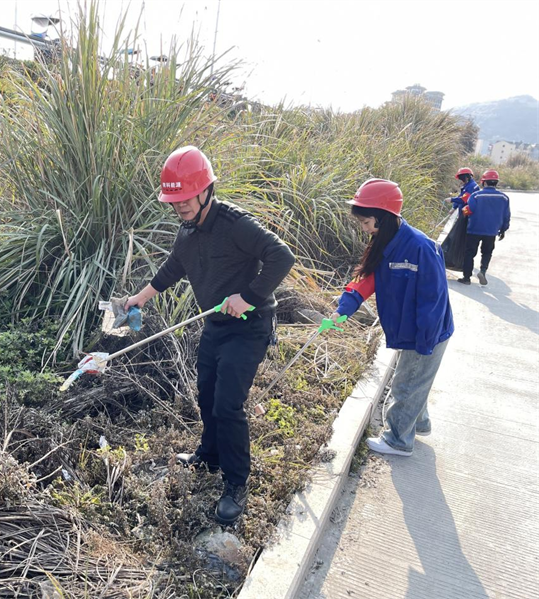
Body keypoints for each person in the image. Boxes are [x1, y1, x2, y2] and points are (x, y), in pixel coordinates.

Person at [126, 146, 295, 525]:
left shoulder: (236, 225)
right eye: (175, 199)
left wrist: (248, 296)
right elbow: (174, 267)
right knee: (206, 395)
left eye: (186, 197)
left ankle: (236, 483)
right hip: (215, 327)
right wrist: (140, 297)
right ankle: (210, 454)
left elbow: (281, 256)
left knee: (228, 405)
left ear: (206, 191)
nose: (181, 205)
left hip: (248, 329)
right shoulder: (187, 231)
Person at [331, 179, 454, 457]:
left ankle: (398, 440)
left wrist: (425, 340)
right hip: (406, 328)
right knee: (415, 377)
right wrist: (344, 308)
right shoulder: (384, 243)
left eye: (366, 222)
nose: (364, 229)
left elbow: (433, 299)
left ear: (383, 217)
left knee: (407, 382)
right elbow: (367, 277)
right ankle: (419, 423)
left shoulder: (421, 248)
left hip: (427, 331)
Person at [458, 169, 510, 286]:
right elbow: (506, 216)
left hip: (474, 229)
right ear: (496, 182)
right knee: (487, 252)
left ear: (483, 182)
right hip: (491, 231)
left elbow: (469, 210)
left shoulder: (476, 196)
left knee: (469, 253)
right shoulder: (504, 198)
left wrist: (463, 210)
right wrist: (503, 230)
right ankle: (483, 271)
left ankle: (466, 278)